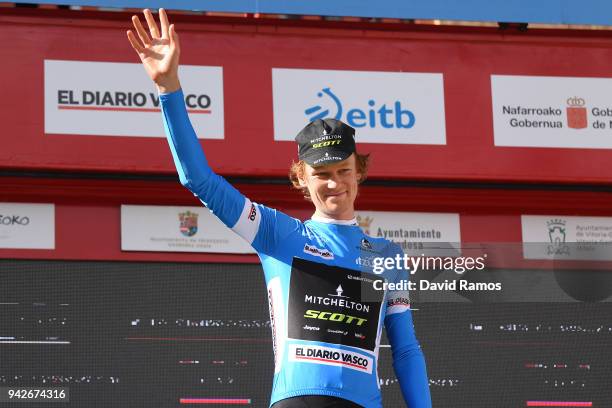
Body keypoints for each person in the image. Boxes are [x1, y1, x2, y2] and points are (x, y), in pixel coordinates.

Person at [127, 9, 432, 408]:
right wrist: (169, 89)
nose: (334, 182)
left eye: (343, 171)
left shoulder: (387, 257)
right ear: (301, 179)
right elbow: (199, 180)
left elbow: (406, 351)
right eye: (321, 173)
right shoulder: (279, 234)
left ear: (359, 173)